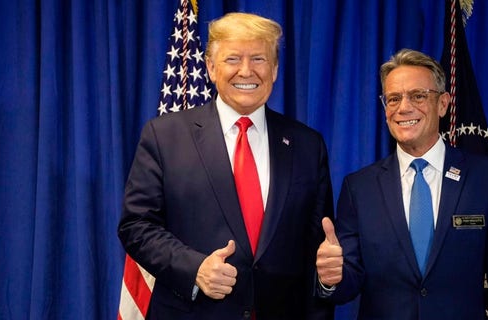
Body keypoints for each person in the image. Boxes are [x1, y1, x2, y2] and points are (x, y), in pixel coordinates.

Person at [119, 12, 334, 320]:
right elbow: (136, 226)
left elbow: (317, 247)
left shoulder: (308, 145)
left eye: (259, 59)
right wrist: (195, 268)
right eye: (233, 59)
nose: (246, 71)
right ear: (210, 67)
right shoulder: (164, 135)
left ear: (274, 69)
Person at [316, 49, 488, 319]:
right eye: (393, 99)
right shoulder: (359, 188)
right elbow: (348, 284)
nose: (404, 108)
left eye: (418, 96)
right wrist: (331, 278)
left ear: (443, 104)